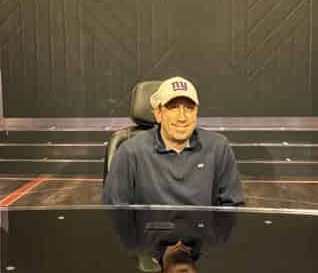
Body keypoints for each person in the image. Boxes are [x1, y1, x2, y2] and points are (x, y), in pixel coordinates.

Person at [102, 76, 245, 206]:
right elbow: (115, 213)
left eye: (189, 108)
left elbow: (233, 209)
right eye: (173, 108)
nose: (182, 117)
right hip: (148, 228)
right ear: (158, 113)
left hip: (203, 227)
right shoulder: (130, 151)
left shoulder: (218, 147)